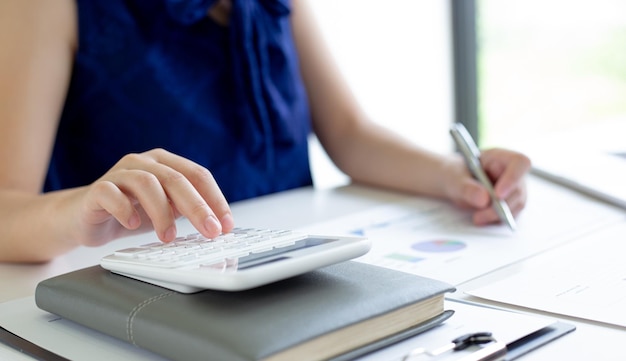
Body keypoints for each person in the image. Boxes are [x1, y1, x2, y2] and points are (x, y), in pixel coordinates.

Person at [0, 0, 531, 263]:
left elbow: (349, 132)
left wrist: (455, 175)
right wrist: (77, 210)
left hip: (280, 268)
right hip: (148, 289)